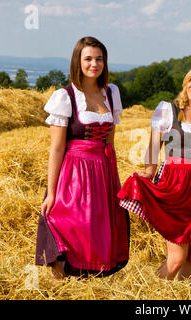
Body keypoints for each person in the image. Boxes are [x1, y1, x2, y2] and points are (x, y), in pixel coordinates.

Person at [117, 62, 191, 280]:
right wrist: (148, 173)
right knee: (177, 258)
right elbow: (154, 148)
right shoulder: (168, 110)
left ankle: (185, 298)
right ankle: (155, 295)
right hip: (174, 187)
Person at [35, 36, 130, 278]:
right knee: (69, 224)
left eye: (99, 59)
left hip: (104, 171)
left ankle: (86, 285)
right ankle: (59, 285)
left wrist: (114, 179)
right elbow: (56, 148)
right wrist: (52, 191)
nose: (94, 64)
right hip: (74, 172)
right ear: (78, 61)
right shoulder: (65, 97)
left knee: (96, 230)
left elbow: (110, 140)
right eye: (88, 58)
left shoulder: (111, 93)